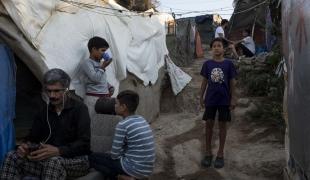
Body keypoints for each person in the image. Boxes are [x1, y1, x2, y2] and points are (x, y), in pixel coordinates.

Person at [0, 68, 91, 179]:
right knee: (12, 157)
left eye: (56, 91)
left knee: (53, 163)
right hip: (48, 160)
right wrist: (25, 146)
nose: (52, 95)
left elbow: (84, 143)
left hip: (77, 160)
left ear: (66, 90)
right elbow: (33, 137)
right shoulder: (44, 111)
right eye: (49, 91)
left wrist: (59, 151)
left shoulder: (79, 109)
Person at [89, 90, 155, 180]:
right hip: (147, 170)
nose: (114, 106)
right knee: (105, 158)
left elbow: (114, 155)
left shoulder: (123, 125)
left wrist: (113, 154)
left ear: (123, 107)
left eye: (116, 104)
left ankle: (120, 177)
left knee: (92, 158)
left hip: (133, 169)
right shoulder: (142, 119)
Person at [200, 38, 237, 169]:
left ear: (223, 49)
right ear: (211, 49)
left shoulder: (229, 64)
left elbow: (232, 83)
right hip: (210, 100)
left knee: (222, 126)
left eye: (219, 46)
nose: (216, 48)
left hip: (224, 100)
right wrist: (201, 96)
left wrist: (233, 99)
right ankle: (208, 153)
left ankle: (220, 154)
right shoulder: (207, 64)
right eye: (214, 46)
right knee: (208, 125)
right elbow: (204, 82)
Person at [81, 36, 113, 119]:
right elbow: (95, 78)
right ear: (93, 49)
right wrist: (103, 67)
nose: (104, 54)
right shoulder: (87, 63)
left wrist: (109, 87)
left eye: (105, 51)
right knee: (91, 122)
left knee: (103, 122)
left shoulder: (100, 63)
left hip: (104, 98)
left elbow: (102, 79)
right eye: (102, 50)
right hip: (93, 98)